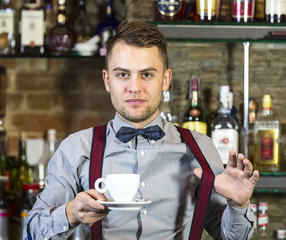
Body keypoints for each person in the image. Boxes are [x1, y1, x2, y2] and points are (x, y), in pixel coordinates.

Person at [26, 21, 259, 240]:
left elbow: (230, 236)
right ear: (107, 80)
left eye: (147, 74)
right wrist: (70, 213)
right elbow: (32, 231)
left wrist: (237, 206)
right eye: (122, 74)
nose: (134, 87)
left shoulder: (200, 147)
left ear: (166, 80)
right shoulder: (76, 148)